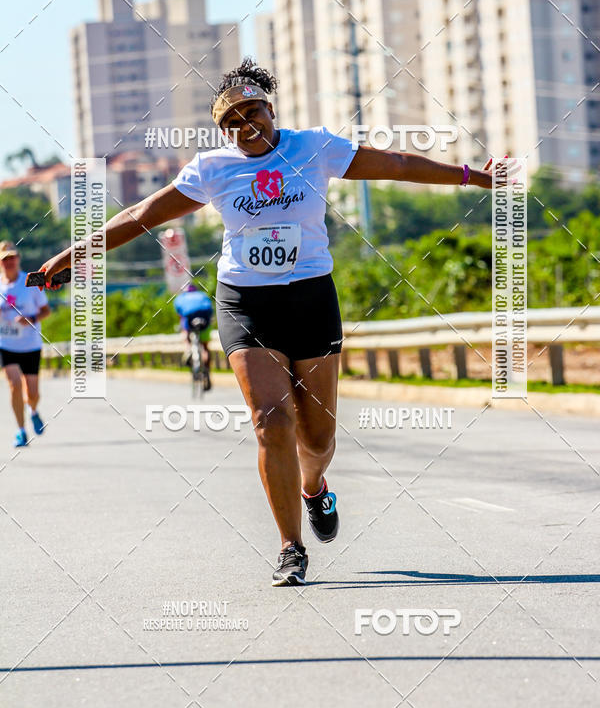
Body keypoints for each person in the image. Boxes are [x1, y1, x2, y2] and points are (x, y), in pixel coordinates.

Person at [38, 56, 514, 586]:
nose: (246, 126)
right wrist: (73, 253)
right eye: (233, 121)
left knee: (317, 438)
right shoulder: (211, 169)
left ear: (271, 109)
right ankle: (291, 547)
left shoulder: (313, 147)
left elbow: (397, 164)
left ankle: (314, 487)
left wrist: (472, 176)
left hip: (311, 298)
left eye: (253, 112)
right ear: (223, 130)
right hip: (246, 301)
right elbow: (140, 215)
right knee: (271, 419)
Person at [0, 241, 51, 447]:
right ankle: (21, 431)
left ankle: (33, 410)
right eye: (5, 259)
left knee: (32, 393)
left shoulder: (30, 282)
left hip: (30, 345)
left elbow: (46, 310)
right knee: (14, 385)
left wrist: (30, 318)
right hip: (6, 343)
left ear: (18, 259)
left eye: (13, 257)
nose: (9, 262)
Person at [174, 283, 213, 390]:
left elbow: (180, 315)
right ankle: (208, 372)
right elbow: (211, 311)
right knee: (205, 348)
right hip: (205, 320)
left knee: (184, 331)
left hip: (189, 320)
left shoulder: (180, 298)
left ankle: (188, 349)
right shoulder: (203, 295)